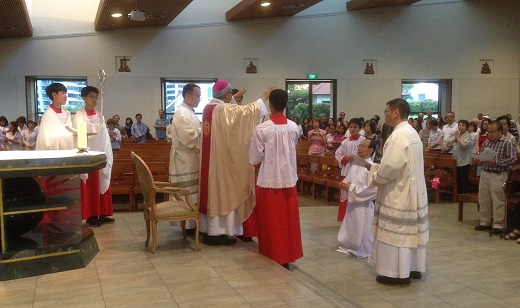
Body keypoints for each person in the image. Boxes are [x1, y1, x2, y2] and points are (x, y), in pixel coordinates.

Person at [199, 79, 272, 246]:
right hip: (220, 163)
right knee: (224, 193)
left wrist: (235, 96)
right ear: (226, 95)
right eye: (230, 95)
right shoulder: (222, 109)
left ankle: (214, 231)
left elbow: (231, 110)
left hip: (211, 163)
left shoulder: (209, 107)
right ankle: (216, 233)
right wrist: (263, 98)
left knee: (214, 193)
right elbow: (244, 113)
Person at [363, 98, 428, 285]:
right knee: (410, 232)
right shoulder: (411, 132)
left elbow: (390, 167)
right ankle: (412, 267)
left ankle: (395, 273)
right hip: (412, 188)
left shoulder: (399, 136)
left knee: (396, 233)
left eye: (386, 111)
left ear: (395, 112)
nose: (384, 115)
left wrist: (374, 173)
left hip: (399, 191)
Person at [248, 89, 303, 269]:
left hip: (268, 180)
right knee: (288, 220)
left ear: (270, 105)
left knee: (271, 220)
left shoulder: (262, 129)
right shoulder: (294, 127)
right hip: (288, 180)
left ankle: (272, 253)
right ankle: (287, 255)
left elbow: (255, 158)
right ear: (286, 105)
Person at [73, 86, 114, 227]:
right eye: (91, 97)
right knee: (91, 186)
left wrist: (101, 130)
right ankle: (91, 216)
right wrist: (98, 129)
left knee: (103, 181)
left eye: (96, 97)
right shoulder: (79, 115)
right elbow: (82, 132)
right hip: (89, 154)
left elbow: (103, 135)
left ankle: (102, 213)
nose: (94, 100)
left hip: (101, 153)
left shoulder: (99, 114)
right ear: (84, 97)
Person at [169, 83, 202, 234]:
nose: (199, 99)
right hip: (185, 160)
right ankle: (187, 226)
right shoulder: (182, 113)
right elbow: (189, 137)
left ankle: (192, 223)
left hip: (191, 159)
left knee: (193, 193)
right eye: (197, 96)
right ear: (187, 95)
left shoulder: (189, 112)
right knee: (188, 192)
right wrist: (205, 134)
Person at [337, 138, 378, 259]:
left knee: (362, 228)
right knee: (351, 224)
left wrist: (351, 188)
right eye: (359, 146)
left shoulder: (371, 168)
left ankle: (361, 247)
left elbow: (373, 190)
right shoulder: (356, 164)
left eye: (363, 146)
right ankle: (349, 244)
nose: (359, 148)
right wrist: (344, 185)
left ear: (370, 150)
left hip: (363, 205)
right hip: (353, 203)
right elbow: (348, 180)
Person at [474, 121, 516, 233]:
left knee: (498, 200)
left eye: (493, 132)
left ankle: (498, 224)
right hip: (485, 173)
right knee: (484, 198)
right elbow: (483, 156)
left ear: (500, 131)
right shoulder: (486, 142)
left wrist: (496, 162)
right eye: (489, 131)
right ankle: (484, 222)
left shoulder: (507, 142)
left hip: (498, 174)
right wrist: (479, 160)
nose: (490, 134)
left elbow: (512, 158)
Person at [335, 118, 365, 221]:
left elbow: (370, 155)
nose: (352, 129)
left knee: (355, 193)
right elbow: (338, 154)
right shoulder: (345, 142)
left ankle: (355, 218)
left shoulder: (363, 141)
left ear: (360, 128)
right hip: (347, 170)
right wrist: (346, 158)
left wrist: (358, 158)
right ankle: (344, 218)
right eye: (351, 127)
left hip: (359, 170)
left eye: (355, 127)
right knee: (345, 194)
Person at [35, 83, 74, 150]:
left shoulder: (66, 112)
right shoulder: (48, 115)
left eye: (66, 93)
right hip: (54, 150)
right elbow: (47, 139)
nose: (66, 96)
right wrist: (69, 135)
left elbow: (69, 128)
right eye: (63, 93)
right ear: (54, 95)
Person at [449, 120, 476, 194]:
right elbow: (449, 143)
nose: (460, 127)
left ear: (467, 128)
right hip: (455, 160)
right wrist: (455, 138)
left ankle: (462, 195)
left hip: (464, 161)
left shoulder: (469, 136)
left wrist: (457, 138)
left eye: (463, 125)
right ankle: (455, 194)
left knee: (462, 179)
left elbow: (464, 145)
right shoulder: (457, 135)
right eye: (459, 125)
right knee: (456, 178)